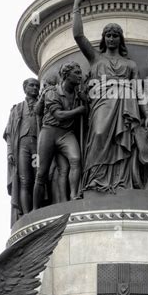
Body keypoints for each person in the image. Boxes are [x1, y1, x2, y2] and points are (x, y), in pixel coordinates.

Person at [73, 0, 144, 192]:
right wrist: (76, 7)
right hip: (102, 104)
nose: (111, 39)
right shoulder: (96, 59)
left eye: (115, 36)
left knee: (122, 141)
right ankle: (95, 180)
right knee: (98, 133)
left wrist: (146, 116)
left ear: (120, 39)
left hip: (124, 105)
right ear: (103, 38)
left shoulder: (130, 64)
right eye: (108, 35)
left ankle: (120, 181)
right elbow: (78, 36)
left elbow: (139, 91)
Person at [33, 62, 85, 207]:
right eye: (76, 73)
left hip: (66, 134)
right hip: (49, 132)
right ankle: (35, 209)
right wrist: (79, 110)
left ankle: (74, 195)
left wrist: (84, 100)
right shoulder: (52, 92)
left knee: (75, 159)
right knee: (41, 173)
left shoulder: (77, 93)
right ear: (66, 75)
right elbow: (59, 115)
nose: (80, 76)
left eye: (80, 72)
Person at [3, 77, 40, 225]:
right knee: (25, 180)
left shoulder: (42, 104)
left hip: (37, 145)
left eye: (37, 86)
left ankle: (39, 208)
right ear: (25, 88)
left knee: (39, 176)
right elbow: (9, 133)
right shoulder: (17, 109)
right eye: (31, 85)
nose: (35, 88)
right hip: (23, 146)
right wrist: (10, 152)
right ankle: (26, 213)